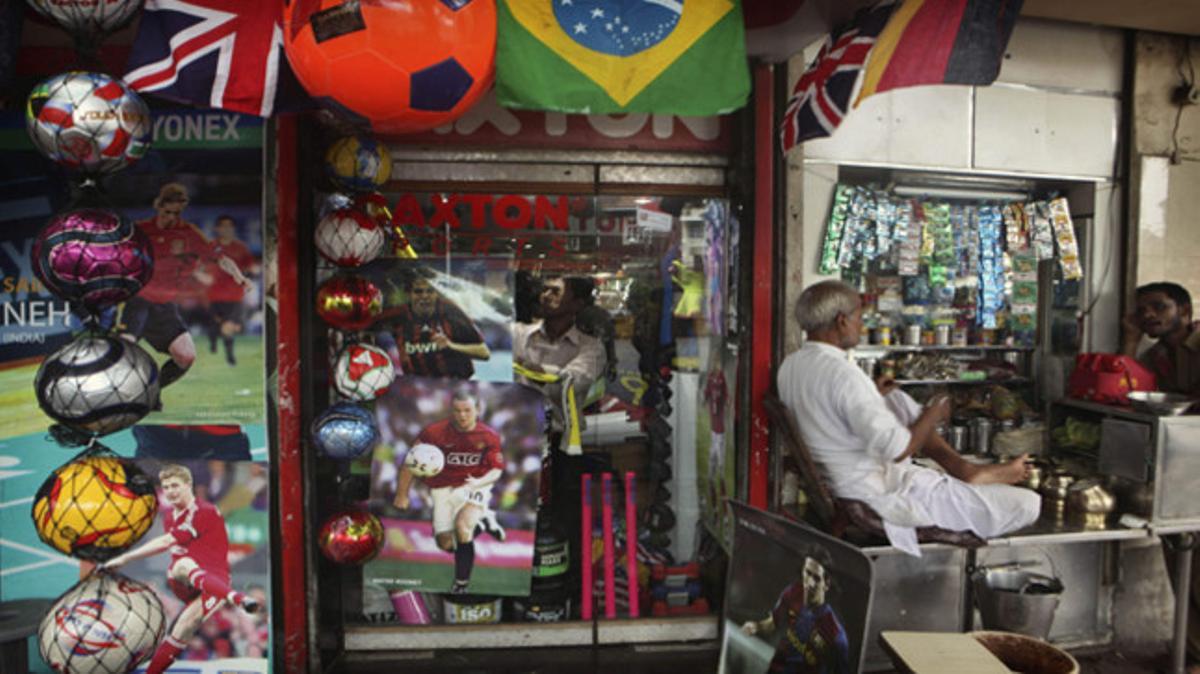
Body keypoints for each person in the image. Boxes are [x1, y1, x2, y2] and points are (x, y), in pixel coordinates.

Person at [777, 280, 1040, 556]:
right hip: (873, 492)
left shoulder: (792, 365)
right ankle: (967, 471)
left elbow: (827, 411)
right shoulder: (843, 374)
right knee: (1028, 503)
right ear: (842, 321)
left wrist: (874, 395)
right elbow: (900, 450)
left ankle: (964, 469)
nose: (861, 325)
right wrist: (934, 412)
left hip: (846, 478)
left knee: (895, 400)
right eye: (859, 318)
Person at [101, 464, 259, 674]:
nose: (170, 491)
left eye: (175, 485)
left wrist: (126, 557)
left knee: (185, 625)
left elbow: (166, 541)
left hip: (215, 582)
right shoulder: (170, 517)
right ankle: (238, 598)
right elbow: (173, 545)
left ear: (188, 485)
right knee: (182, 565)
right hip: (184, 579)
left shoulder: (204, 511)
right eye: (166, 487)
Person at [121, 184, 252, 389]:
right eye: (167, 212)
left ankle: (149, 391)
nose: (171, 217)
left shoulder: (189, 234)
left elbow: (220, 258)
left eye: (176, 213)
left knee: (186, 356)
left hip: (165, 305)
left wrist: (238, 275)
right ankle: (110, 394)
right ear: (158, 206)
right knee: (125, 348)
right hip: (139, 299)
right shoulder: (140, 230)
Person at [392, 390, 506, 594]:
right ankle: (484, 523)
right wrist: (402, 494)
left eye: (467, 410)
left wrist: (480, 481)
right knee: (446, 544)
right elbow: (411, 462)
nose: (462, 415)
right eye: (457, 410)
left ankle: (461, 584)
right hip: (441, 489)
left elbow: (496, 470)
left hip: (474, 485)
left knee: (462, 527)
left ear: (478, 410)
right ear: (451, 411)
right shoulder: (434, 433)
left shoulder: (489, 436)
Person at [512, 275, 608, 444]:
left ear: (577, 304)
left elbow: (568, 384)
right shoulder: (517, 334)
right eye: (544, 289)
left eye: (555, 292)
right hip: (517, 434)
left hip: (561, 440)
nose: (545, 296)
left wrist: (531, 368)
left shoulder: (591, 348)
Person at [742, 547, 850, 674]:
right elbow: (773, 623)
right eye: (807, 573)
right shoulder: (792, 593)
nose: (809, 583)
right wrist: (756, 626)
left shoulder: (835, 634)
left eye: (816, 578)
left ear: (826, 584)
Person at [381, 274, 490, 380]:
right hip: (417, 386)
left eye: (430, 291)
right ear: (409, 294)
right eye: (418, 292)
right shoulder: (398, 315)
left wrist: (451, 346)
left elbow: (484, 353)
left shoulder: (451, 312)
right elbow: (367, 326)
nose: (424, 296)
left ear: (436, 293)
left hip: (458, 383)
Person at [1121, 281, 1200, 394]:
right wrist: (1131, 341)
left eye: (1159, 307)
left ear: (1184, 311)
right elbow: (1123, 386)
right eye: (1141, 311)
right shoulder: (1156, 355)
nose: (1147, 315)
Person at [205, 215, 258, 366]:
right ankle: (213, 340)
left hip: (235, 296)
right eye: (223, 226)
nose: (226, 229)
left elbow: (250, 266)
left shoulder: (240, 248)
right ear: (217, 228)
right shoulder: (211, 247)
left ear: (233, 229)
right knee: (215, 326)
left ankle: (230, 357)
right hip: (215, 295)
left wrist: (251, 273)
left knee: (229, 326)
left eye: (229, 226)